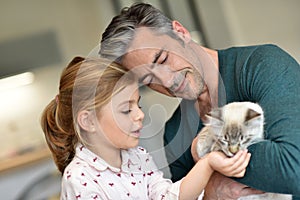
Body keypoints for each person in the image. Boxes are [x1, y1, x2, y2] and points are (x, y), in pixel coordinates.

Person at [99, 2, 300, 199]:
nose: (167, 81)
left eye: (162, 60)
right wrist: (212, 194)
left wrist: (207, 156)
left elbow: (294, 167)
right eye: (148, 80)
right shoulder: (174, 134)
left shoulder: (262, 66)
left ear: (180, 32)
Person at [40, 56, 251, 199]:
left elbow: (167, 197)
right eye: (126, 110)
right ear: (88, 121)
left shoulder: (137, 157)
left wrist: (208, 163)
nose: (140, 114)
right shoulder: (80, 179)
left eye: (138, 104)